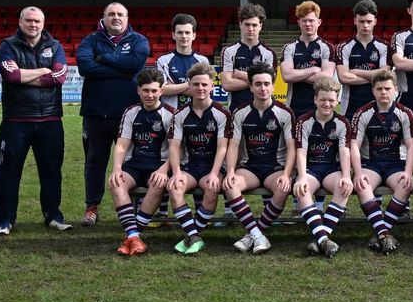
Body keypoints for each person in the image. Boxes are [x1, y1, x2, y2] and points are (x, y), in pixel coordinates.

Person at [0, 6, 70, 236]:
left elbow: (60, 77)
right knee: (8, 171)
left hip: (50, 119)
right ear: (20, 21)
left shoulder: (55, 46)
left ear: (43, 23)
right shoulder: (8, 45)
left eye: (37, 21)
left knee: (51, 171)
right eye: (28, 20)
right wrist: (42, 70)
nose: (33, 24)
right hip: (16, 120)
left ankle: (53, 215)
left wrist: (26, 75)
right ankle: (5, 219)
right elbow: (11, 75)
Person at [76, 2, 150, 226]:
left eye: (120, 14)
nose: (115, 17)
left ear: (127, 18)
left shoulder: (139, 40)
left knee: (133, 162)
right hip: (95, 113)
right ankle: (92, 207)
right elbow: (84, 67)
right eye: (111, 14)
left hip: (128, 115)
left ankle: (135, 209)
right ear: (104, 18)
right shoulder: (91, 40)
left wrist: (104, 59)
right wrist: (123, 70)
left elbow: (136, 64)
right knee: (94, 162)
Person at [222, 62, 296, 255]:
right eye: (258, 84)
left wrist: (287, 174)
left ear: (273, 85)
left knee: (282, 187)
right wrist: (230, 171)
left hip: (276, 167)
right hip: (250, 167)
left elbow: (291, 148)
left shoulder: (285, 113)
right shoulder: (240, 113)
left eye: (266, 83)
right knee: (230, 185)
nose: (263, 88)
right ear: (251, 86)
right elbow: (234, 145)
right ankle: (258, 234)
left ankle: (253, 234)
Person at [350, 69, 413, 254]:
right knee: (362, 185)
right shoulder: (362, 113)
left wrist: (409, 172)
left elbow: (412, 146)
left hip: (396, 163)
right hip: (370, 163)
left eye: (387, 88)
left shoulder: (406, 113)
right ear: (373, 90)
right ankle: (384, 233)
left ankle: (380, 231)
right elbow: (354, 145)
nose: (384, 92)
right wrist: (358, 172)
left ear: (395, 89)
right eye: (379, 89)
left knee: (405, 185)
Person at [166, 63, 231, 255]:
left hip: (213, 166)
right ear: (189, 86)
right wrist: (176, 172)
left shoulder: (222, 113)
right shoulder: (180, 114)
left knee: (212, 187)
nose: (200, 88)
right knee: (174, 186)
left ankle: (192, 234)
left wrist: (214, 173)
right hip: (191, 166)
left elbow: (222, 147)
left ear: (212, 86)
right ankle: (194, 235)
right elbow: (175, 145)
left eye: (204, 84)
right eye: (196, 84)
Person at [109, 68, 174, 256]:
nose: (150, 95)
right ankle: (134, 237)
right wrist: (116, 168)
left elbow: (177, 149)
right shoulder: (131, 113)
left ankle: (131, 235)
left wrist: (164, 170)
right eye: (146, 90)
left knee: (157, 184)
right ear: (138, 90)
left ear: (161, 91)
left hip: (159, 164)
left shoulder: (170, 114)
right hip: (134, 164)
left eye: (154, 90)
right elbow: (121, 145)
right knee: (116, 183)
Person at [293, 78, 352, 258]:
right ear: (315, 100)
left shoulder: (342, 123)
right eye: (323, 99)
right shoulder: (304, 121)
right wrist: (301, 176)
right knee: (302, 189)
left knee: (343, 187)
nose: (327, 104)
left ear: (337, 100)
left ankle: (319, 238)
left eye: (331, 100)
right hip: (311, 169)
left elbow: (344, 152)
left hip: (330, 169)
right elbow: (301, 152)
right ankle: (324, 239)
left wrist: (347, 176)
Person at [280, 0, 338, 118]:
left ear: (319, 22)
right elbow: (286, 77)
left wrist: (296, 75)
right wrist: (313, 70)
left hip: (319, 108)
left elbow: (326, 77)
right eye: (304, 20)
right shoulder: (289, 48)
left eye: (311, 20)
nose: (308, 24)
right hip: (293, 107)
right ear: (299, 22)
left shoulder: (327, 47)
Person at [220, 3, 276, 112]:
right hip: (236, 111)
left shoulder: (269, 53)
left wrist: (239, 74)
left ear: (260, 26)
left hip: (263, 111)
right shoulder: (228, 51)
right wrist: (257, 81)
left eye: (254, 25)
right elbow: (227, 84)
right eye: (247, 24)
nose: (250, 29)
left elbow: (267, 85)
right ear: (240, 24)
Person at [337, 0, 389, 115]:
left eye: (369, 21)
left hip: (377, 107)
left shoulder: (384, 47)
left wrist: (355, 71)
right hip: (350, 108)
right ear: (355, 21)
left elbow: (384, 77)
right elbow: (344, 78)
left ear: (375, 21)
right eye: (361, 21)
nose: (365, 25)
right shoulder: (344, 47)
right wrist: (374, 77)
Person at [155, 13, 211, 110]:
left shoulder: (202, 60)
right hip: (170, 114)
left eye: (187, 32)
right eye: (180, 32)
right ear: (173, 35)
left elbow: (204, 91)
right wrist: (191, 84)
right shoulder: (163, 60)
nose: (184, 36)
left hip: (196, 113)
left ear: (194, 35)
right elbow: (161, 89)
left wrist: (173, 86)